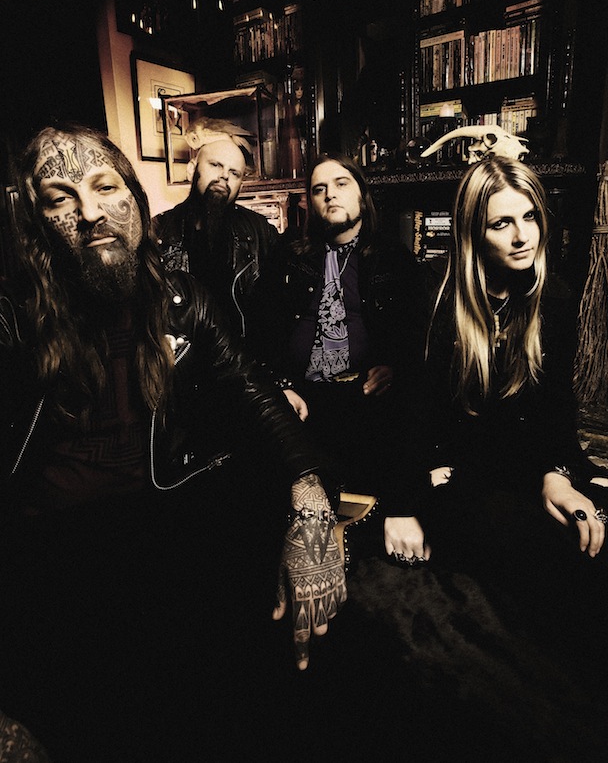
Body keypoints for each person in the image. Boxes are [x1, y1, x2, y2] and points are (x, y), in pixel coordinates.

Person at [0, 123, 346, 763]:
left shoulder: (182, 297)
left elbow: (251, 389)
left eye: (105, 187)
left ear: (135, 200)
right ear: (36, 223)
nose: (90, 212)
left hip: (158, 515)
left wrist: (312, 502)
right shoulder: (12, 316)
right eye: (60, 199)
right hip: (55, 543)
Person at [398, 154, 608, 680]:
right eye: (501, 223)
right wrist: (404, 501)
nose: (522, 236)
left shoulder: (552, 297)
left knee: (593, 527)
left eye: (530, 216)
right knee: (543, 553)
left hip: (524, 463)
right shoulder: (432, 295)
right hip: (454, 476)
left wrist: (558, 475)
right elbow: (410, 415)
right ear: (474, 232)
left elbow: (556, 413)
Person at [257, 151, 428, 567]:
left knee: (397, 432)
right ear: (311, 204)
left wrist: (394, 366)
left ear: (361, 195)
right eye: (319, 189)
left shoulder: (393, 257)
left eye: (341, 184)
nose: (329, 194)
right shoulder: (289, 254)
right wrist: (281, 385)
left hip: (363, 396)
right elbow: (262, 330)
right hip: (301, 398)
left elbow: (417, 339)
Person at [152, 115, 306, 417]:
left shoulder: (260, 233)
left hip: (246, 381)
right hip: (183, 389)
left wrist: (281, 384)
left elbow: (276, 320)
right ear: (192, 169)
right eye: (215, 165)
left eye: (234, 173)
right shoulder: (158, 234)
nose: (224, 176)